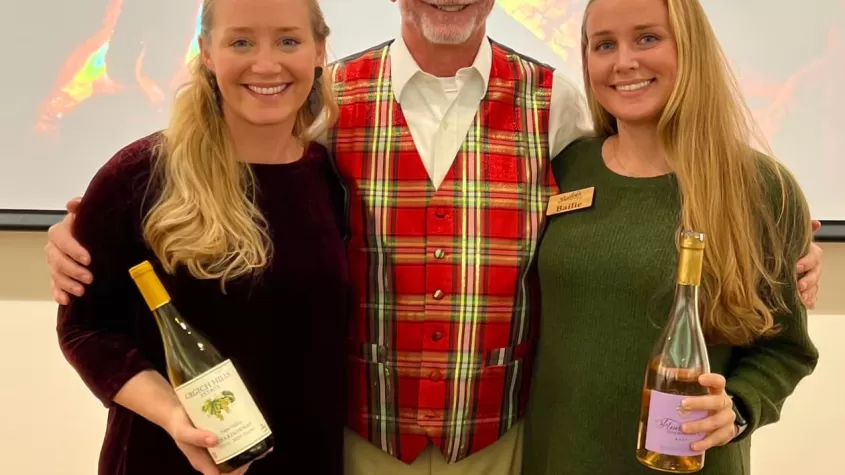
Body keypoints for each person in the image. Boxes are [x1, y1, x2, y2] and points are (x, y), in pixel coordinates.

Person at [44, 0, 825, 473]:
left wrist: (781, 238)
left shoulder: (558, 106)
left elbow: (646, 181)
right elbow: (242, 171)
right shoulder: (325, 99)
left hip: (502, 441)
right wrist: (82, 225)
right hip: (357, 439)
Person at [521, 0, 821, 474]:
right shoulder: (564, 168)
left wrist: (739, 409)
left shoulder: (763, 189)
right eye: (604, 45)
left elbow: (785, 348)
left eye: (647, 38)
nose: (624, 62)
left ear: (690, 47)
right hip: (558, 460)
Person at [53, 0, 348, 474]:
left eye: (288, 40)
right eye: (241, 42)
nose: (266, 63)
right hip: (171, 459)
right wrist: (175, 417)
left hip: (306, 458)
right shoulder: (139, 176)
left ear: (318, 49)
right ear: (207, 53)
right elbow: (86, 330)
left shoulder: (330, 178)